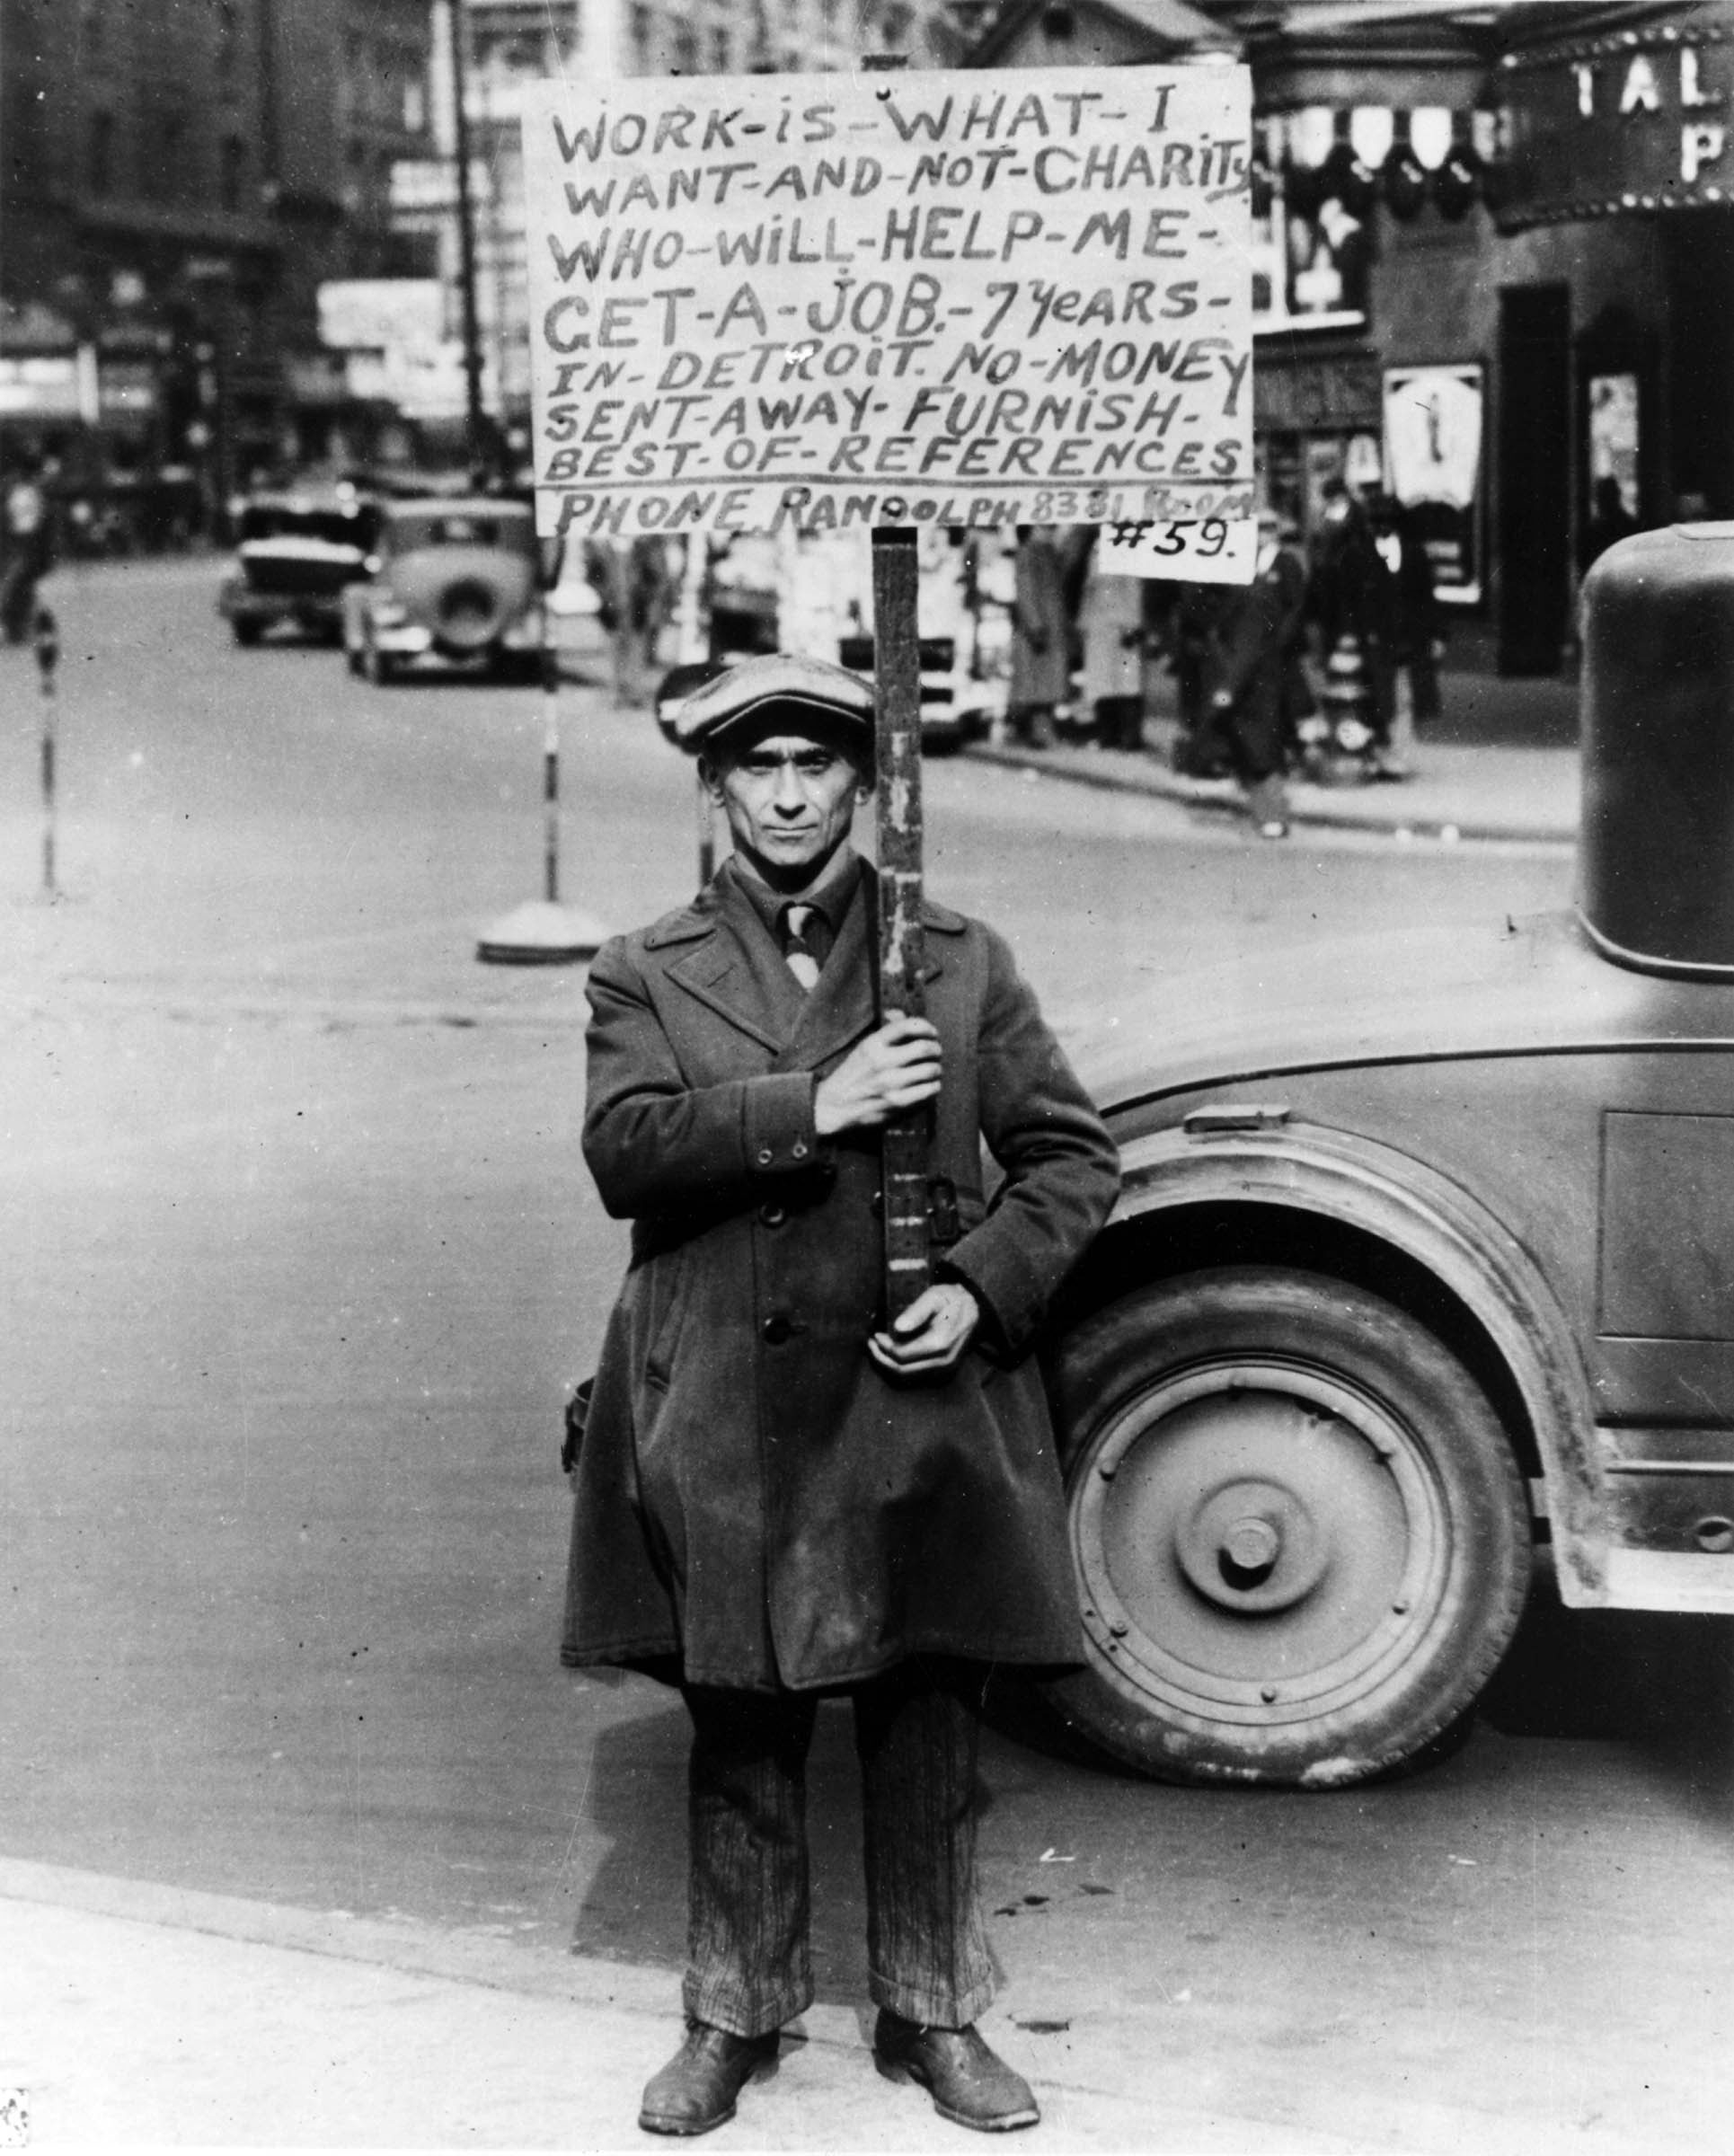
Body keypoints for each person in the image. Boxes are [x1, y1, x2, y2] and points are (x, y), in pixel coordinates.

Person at [563, 650, 1120, 2138]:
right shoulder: (644, 963)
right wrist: (816, 1107)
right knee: (742, 1711)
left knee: (926, 1709)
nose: (794, 794)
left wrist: (981, 1286)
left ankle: (935, 2008)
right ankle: (733, 2013)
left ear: (868, 789)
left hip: (912, 1390)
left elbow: (1073, 1157)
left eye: (821, 766)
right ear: (719, 789)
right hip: (731, 1401)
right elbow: (624, 1149)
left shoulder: (954, 957)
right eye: (763, 768)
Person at [1199, 509, 1307, 837]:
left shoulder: (1276, 573)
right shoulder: (1244, 576)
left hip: (1260, 673)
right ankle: (1265, 810)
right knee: (1250, 748)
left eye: (1268, 528)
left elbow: (1292, 610)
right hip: (1252, 673)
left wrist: (1229, 686)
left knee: (1261, 749)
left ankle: (1274, 814)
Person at [1005, 525, 1070, 746]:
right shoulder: (1028, 552)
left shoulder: (1047, 551)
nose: (1051, 531)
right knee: (1038, 684)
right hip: (1038, 630)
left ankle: (1041, 730)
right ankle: (1039, 732)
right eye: (1046, 527)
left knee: (1046, 683)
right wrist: (1035, 625)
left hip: (1050, 627)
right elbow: (1025, 590)